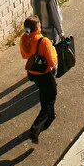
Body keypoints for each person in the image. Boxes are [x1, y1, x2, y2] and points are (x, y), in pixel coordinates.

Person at [20, 15, 57, 143]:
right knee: (51, 98)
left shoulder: (25, 39)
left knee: (43, 93)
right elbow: (52, 61)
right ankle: (36, 128)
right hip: (44, 74)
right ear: (37, 27)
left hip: (33, 74)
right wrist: (52, 49)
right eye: (39, 24)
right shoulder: (44, 41)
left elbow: (24, 55)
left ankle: (51, 117)